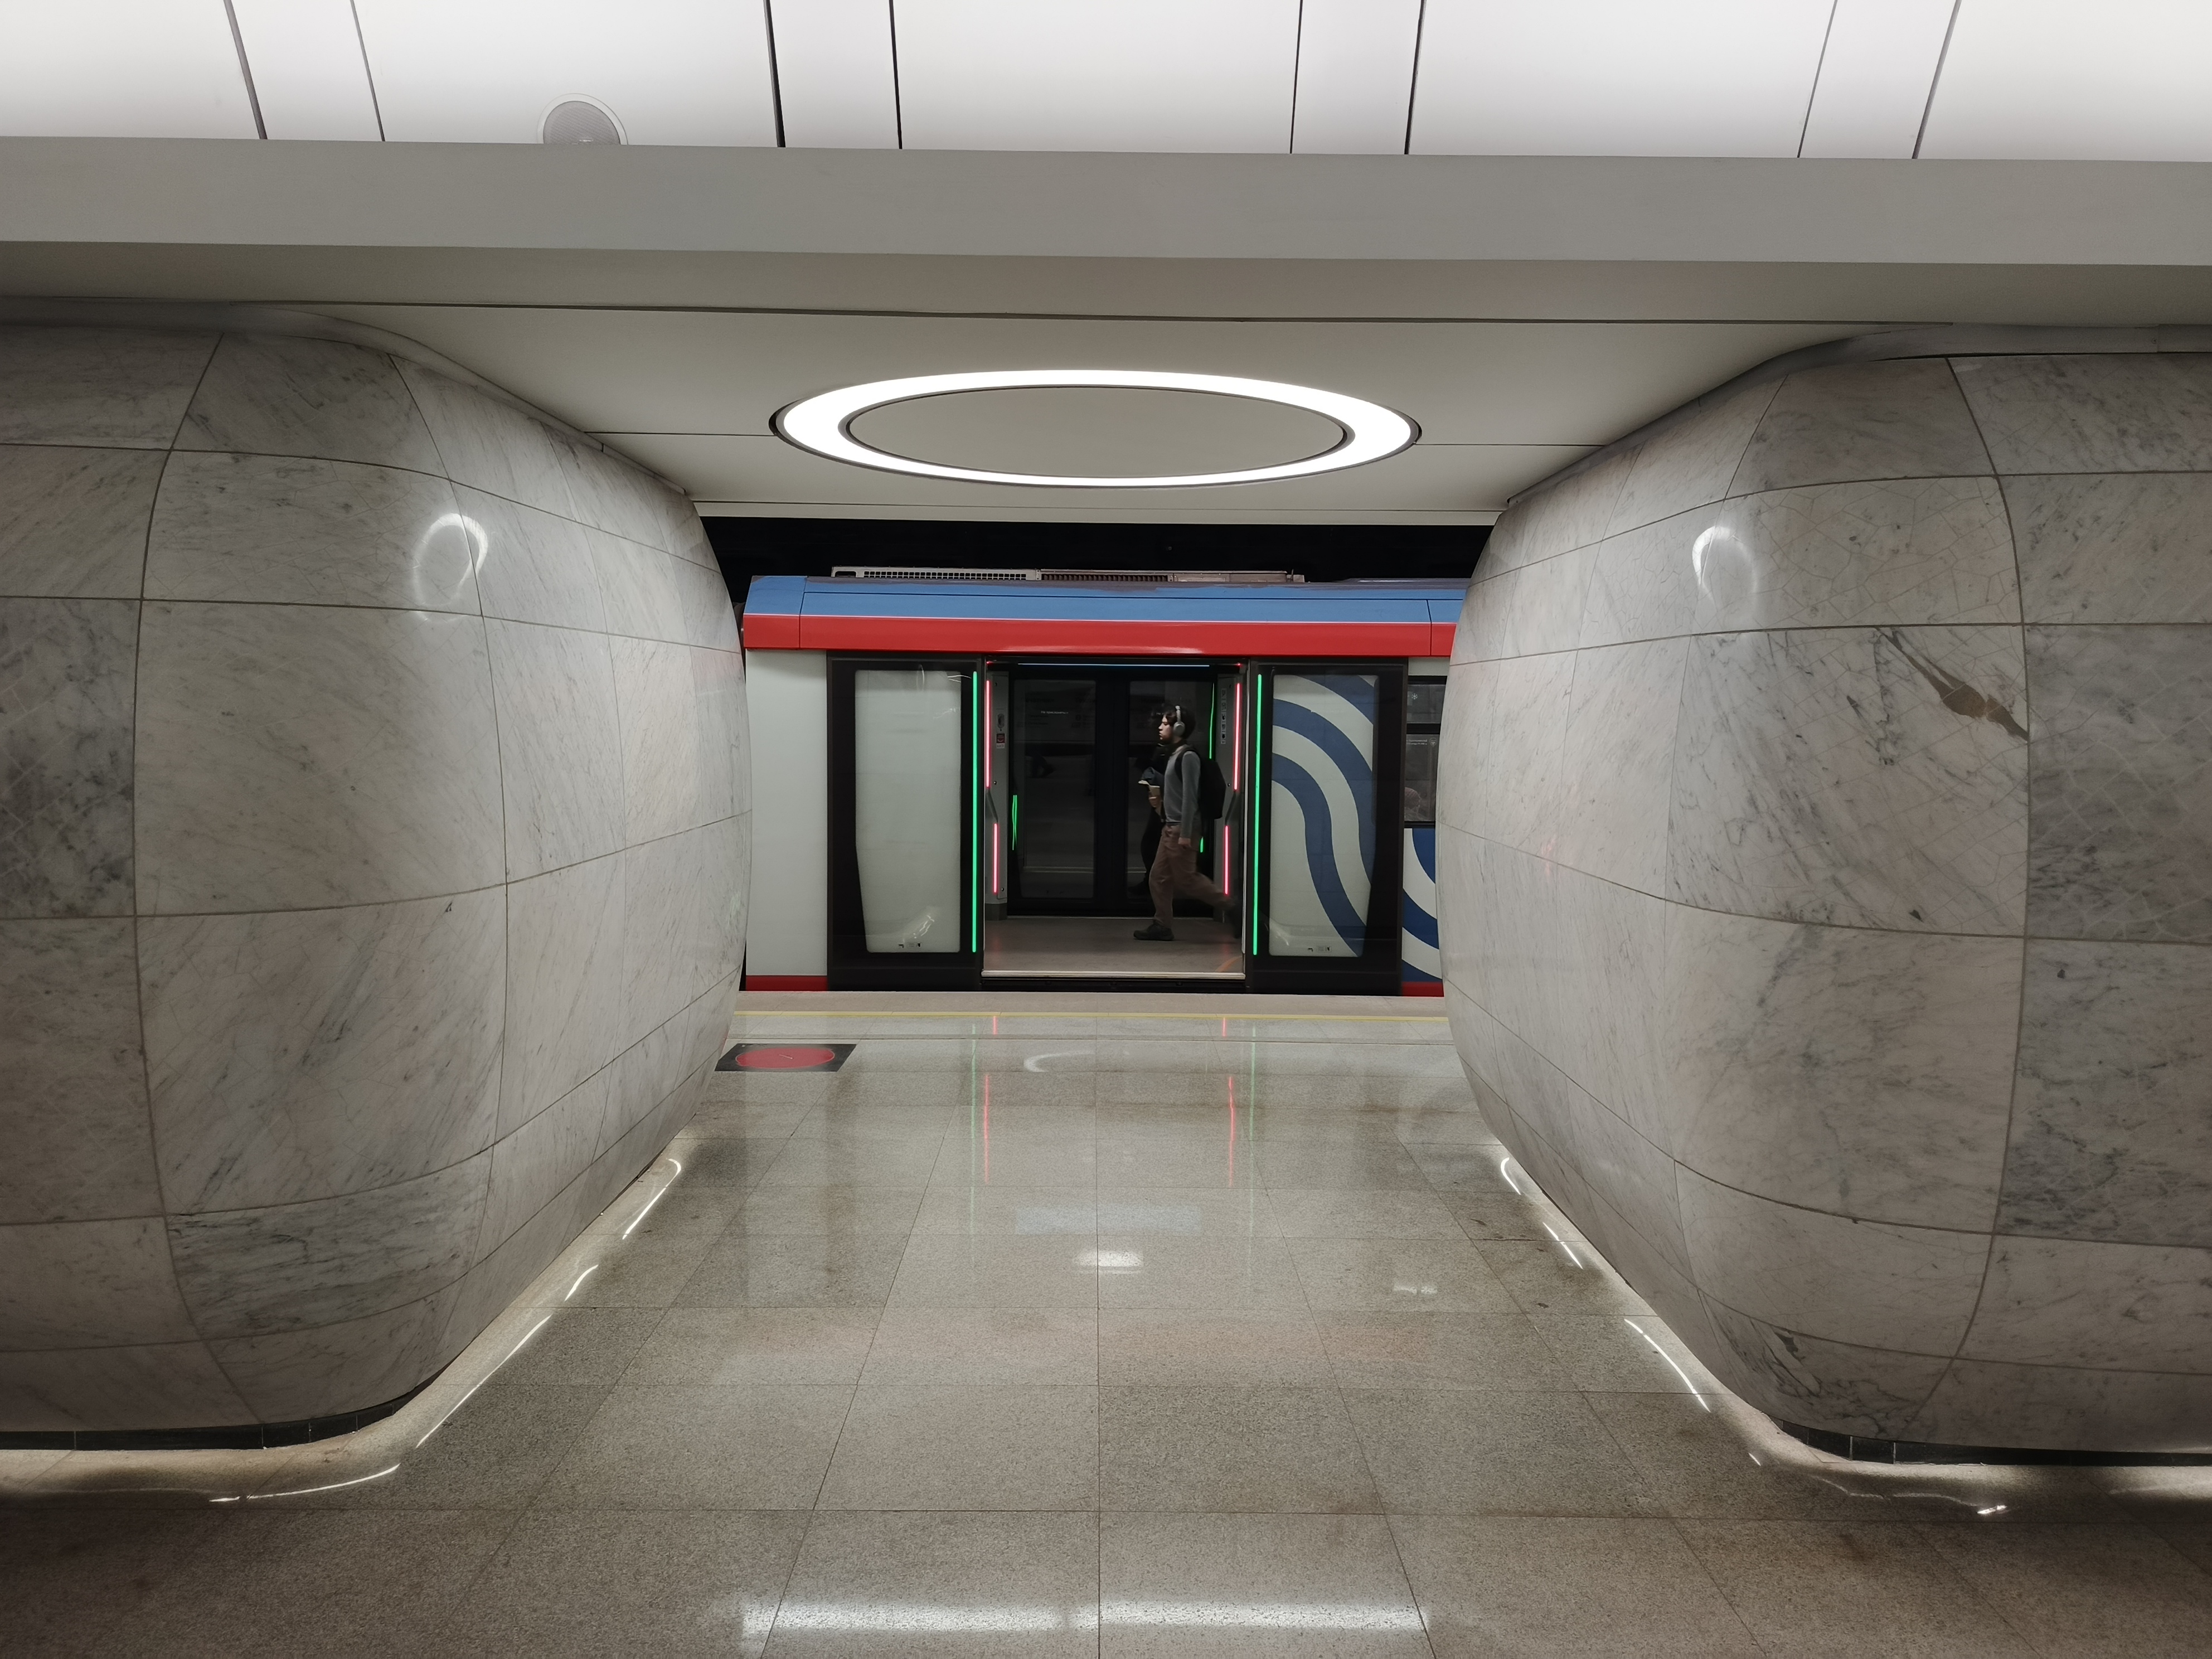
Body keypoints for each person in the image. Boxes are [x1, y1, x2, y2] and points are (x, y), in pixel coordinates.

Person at [1134, 709, 1227, 942]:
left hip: (1181, 830)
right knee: (1158, 877)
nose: (1160, 727)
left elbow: (1190, 798)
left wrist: (1186, 833)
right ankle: (1162, 925)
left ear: (1179, 728)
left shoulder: (1188, 757)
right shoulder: (1173, 755)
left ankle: (1232, 907)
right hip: (1170, 828)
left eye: (1165, 724)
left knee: (1188, 880)